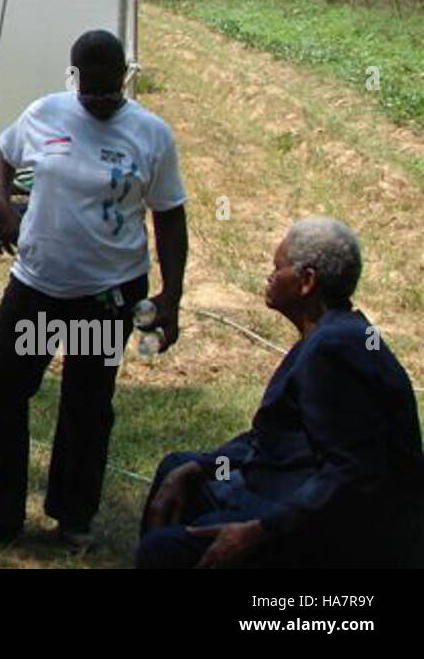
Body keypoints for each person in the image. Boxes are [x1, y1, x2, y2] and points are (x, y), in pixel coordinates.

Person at [0, 29, 188, 548]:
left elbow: (170, 217)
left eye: (109, 90)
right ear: (75, 78)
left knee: (88, 401)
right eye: (90, 91)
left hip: (107, 295)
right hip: (38, 286)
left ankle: (73, 516)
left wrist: (171, 298)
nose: (100, 100)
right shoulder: (46, 112)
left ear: (125, 77)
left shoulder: (152, 135)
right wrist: (2, 206)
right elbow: (1, 154)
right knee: (3, 388)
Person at [137, 217, 424, 569]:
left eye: (277, 268)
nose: (269, 276)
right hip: (286, 479)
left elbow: (351, 474)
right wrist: (204, 466)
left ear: (306, 281)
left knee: (163, 551)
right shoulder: (334, 332)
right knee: (178, 468)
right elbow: (273, 437)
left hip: (332, 531)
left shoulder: (333, 352)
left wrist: (257, 531)